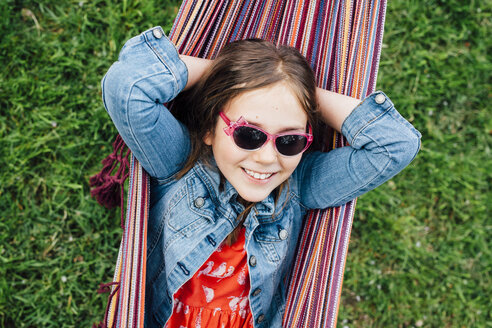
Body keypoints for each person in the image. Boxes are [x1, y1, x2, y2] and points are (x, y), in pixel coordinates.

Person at [101, 26, 421, 328]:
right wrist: (222, 73)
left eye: (289, 140)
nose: (268, 158)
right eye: (248, 135)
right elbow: (128, 87)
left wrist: (297, 91)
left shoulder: (299, 187)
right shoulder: (179, 164)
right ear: (210, 128)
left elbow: (395, 146)